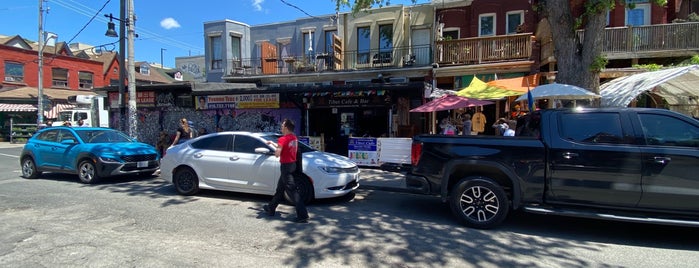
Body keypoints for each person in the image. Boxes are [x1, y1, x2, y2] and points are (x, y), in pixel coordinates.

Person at [263, 119, 309, 223]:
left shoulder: (283, 139)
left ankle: (303, 215)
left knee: (292, 191)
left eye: (283, 125)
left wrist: (275, 149)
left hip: (285, 167)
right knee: (280, 189)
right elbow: (284, 148)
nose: (281, 127)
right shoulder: (294, 138)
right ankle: (271, 208)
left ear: (287, 128)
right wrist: (272, 143)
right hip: (292, 165)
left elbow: (277, 154)